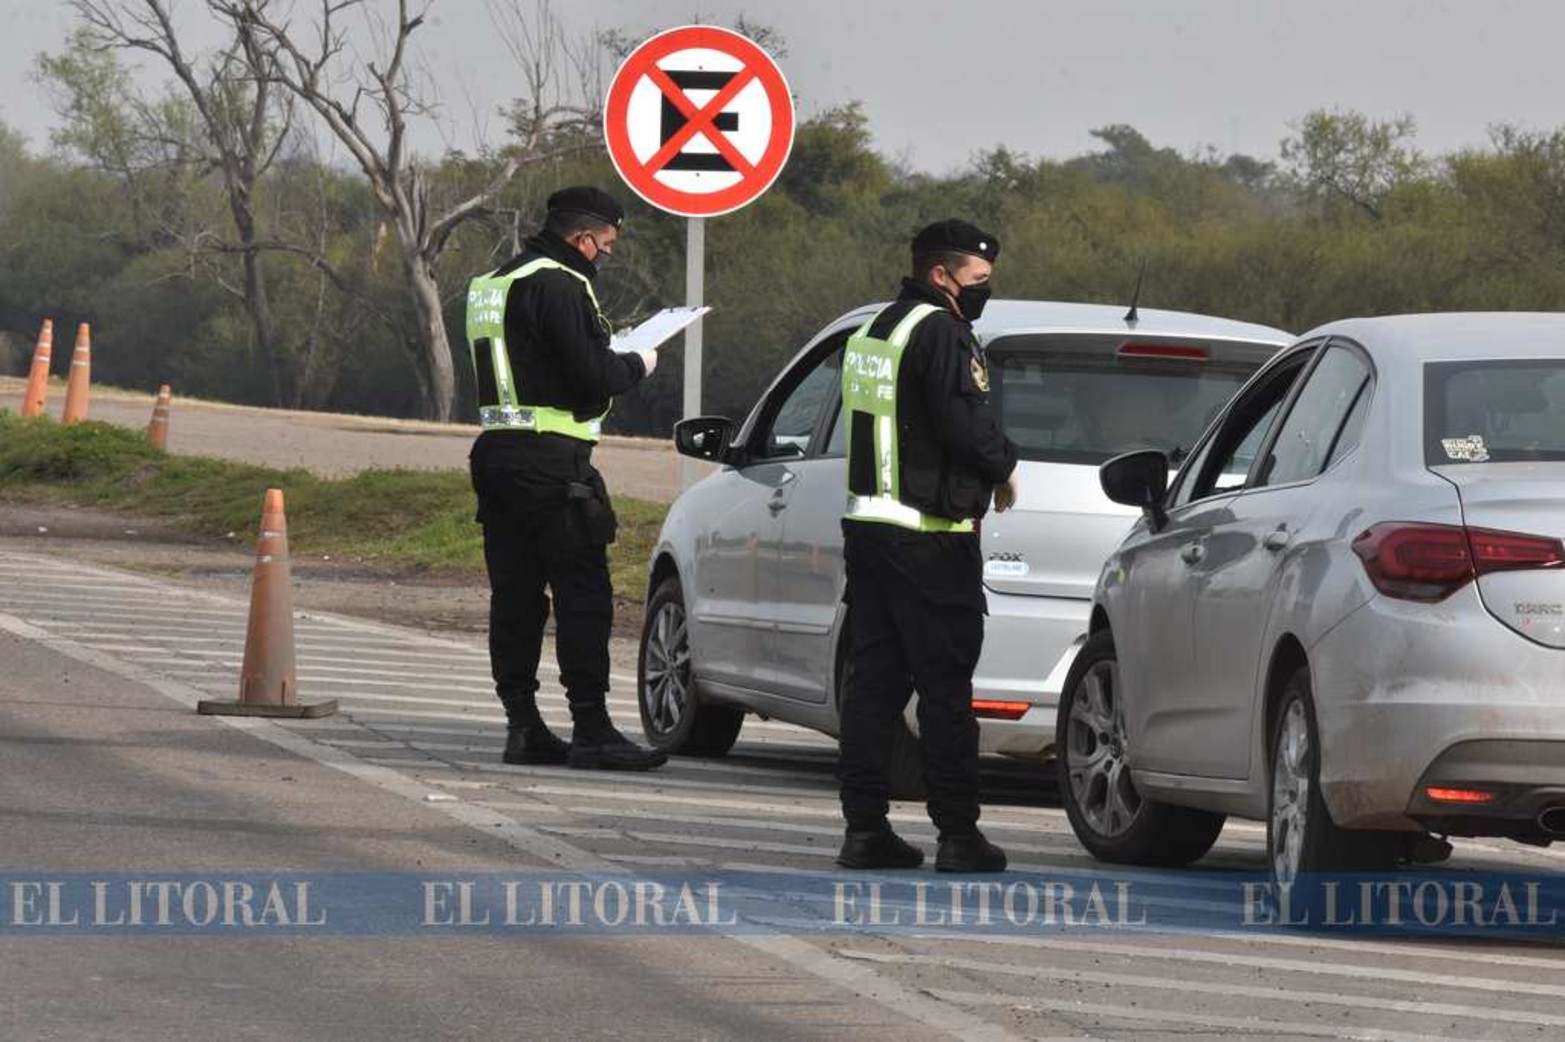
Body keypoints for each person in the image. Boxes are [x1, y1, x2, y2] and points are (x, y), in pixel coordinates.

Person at [836, 219, 1021, 872]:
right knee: (944, 693)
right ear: (941, 274)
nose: (984, 290)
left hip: (870, 531)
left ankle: (864, 830)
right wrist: (1004, 466)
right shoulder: (942, 332)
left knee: (873, 688)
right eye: (978, 279)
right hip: (930, 540)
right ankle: (958, 835)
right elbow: (964, 423)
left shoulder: (874, 329)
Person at [466, 186, 666, 771]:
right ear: (582, 239)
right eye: (606, 245)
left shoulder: (492, 283)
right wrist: (637, 362)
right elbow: (590, 377)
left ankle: (522, 726)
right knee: (584, 594)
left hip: (497, 454)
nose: (606, 255)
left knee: (516, 597)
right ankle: (592, 729)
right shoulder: (562, 283)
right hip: (552, 463)